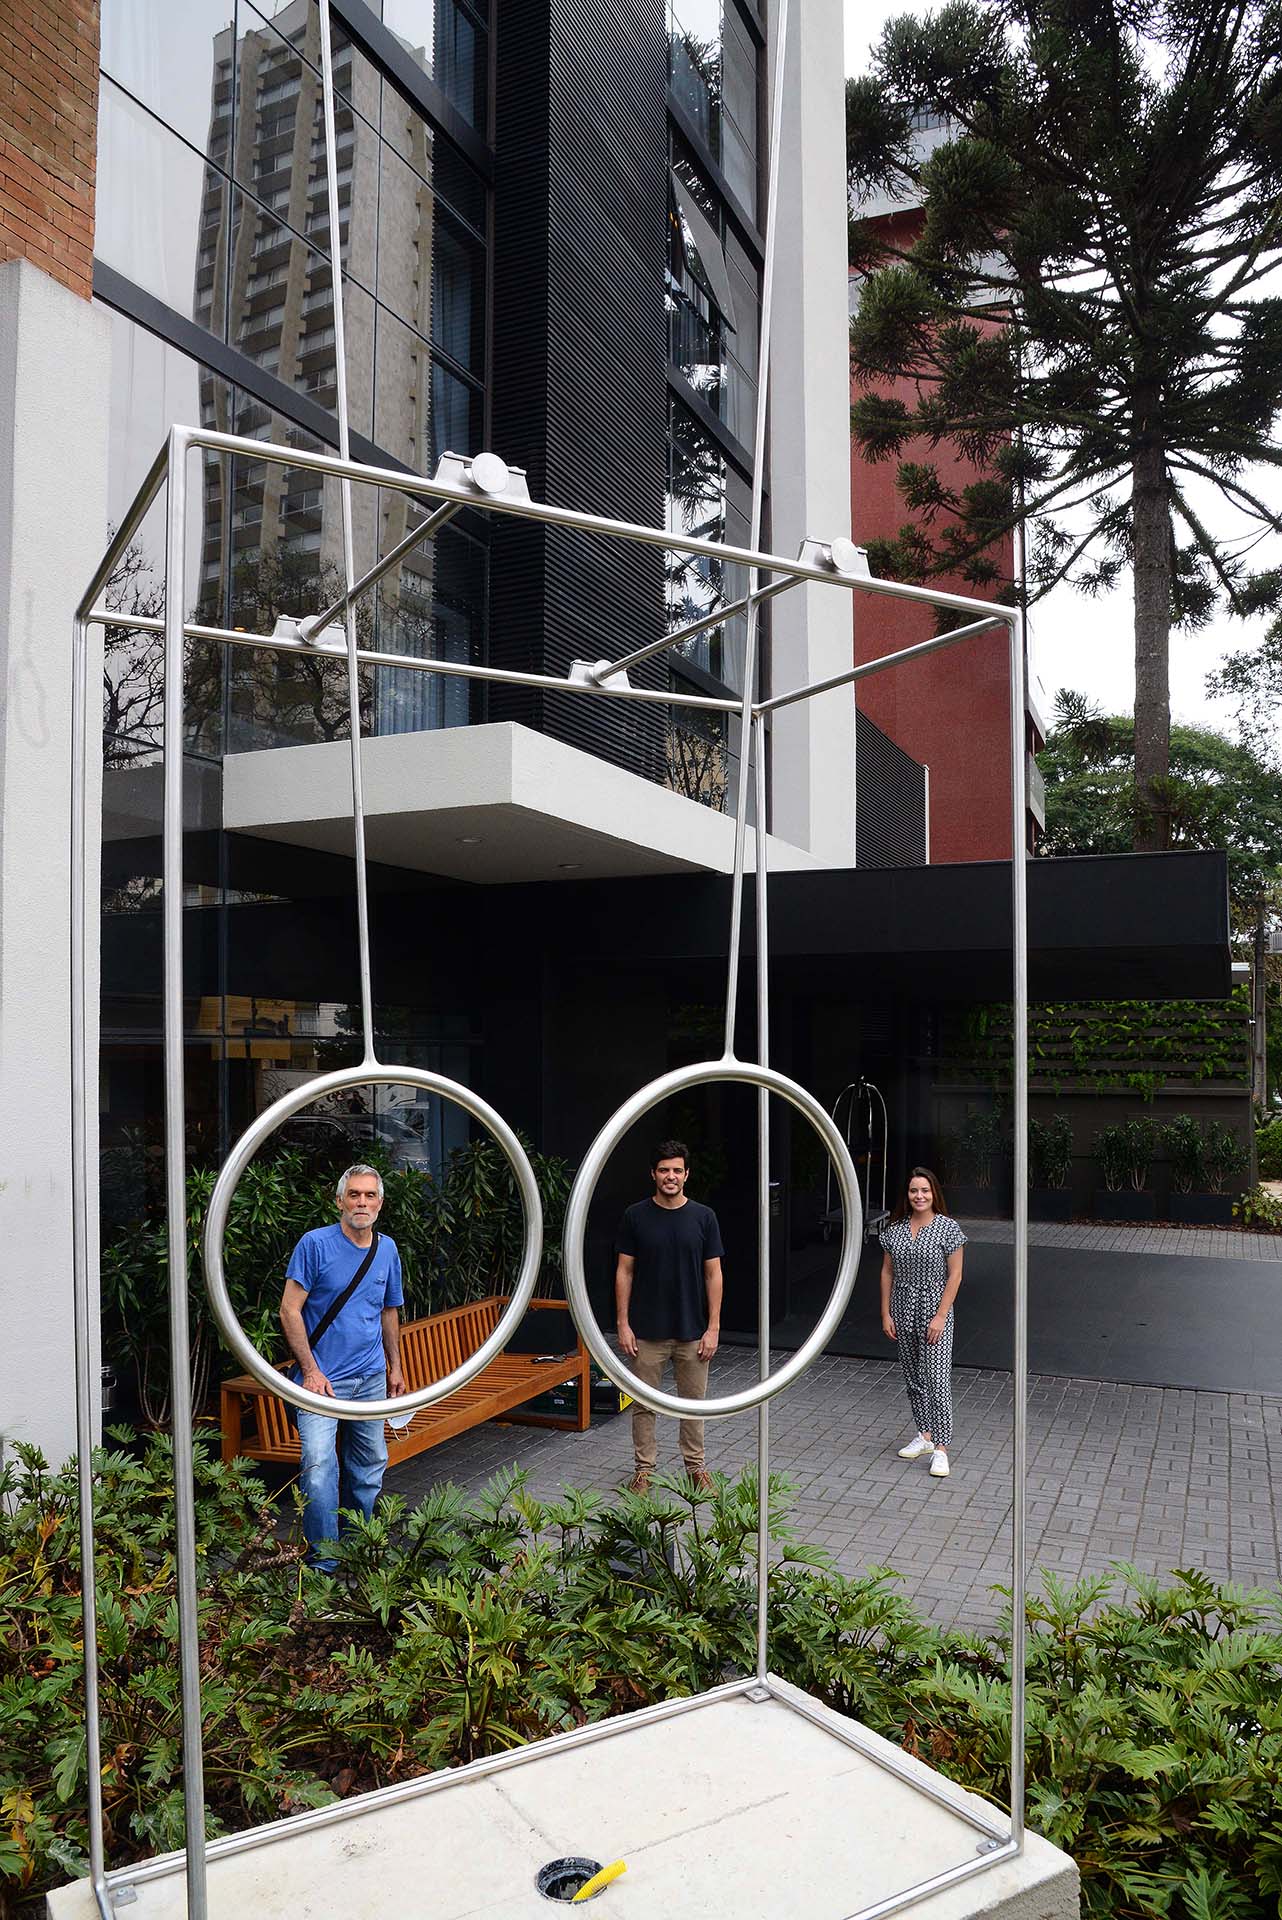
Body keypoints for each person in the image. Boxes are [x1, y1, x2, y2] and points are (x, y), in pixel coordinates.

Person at [279, 1162, 405, 1569]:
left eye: (370, 1195)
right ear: (339, 1201)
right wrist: (311, 1370)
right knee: (319, 1470)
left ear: (380, 1203)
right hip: (321, 1383)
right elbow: (289, 1310)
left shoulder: (387, 1249)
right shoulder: (315, 1244)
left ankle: (357, 1547)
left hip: (370, 1379)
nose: (361, 1202)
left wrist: (395, 1367)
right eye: (354, 1194)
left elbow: (389, 1311)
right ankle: (324, 1562)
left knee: (367, 1469)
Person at [615, 1139, 724, 1494]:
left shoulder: (704, 1217)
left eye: (677, 1170)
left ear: (687, 1174)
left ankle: (695, 1468)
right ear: (653, 1174)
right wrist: (623, 1323)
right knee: (644, 1405)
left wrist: (713, 1327)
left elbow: (713, 1274)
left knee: (693, 1405)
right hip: (647, 1331)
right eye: (664, 1170)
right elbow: (624, 1271)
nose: (671, 1176)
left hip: (692, 1330)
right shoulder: (635, 1216)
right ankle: (644, 1471)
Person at [879, 1166, 966, 1480]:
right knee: (913, 1376)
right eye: (914, 1190)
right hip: (903, 1308)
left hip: (934, 1309)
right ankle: (925, 1435)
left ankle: (942, 1448)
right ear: (907, 1195)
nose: (919, 1196)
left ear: (934, 1194)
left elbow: (955, 1275)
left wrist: (940, 1316)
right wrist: (886, 1313)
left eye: (925, 1190)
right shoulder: (895, 1230)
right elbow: (887, 1272)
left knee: (937, 1379)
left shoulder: (948, 1228)